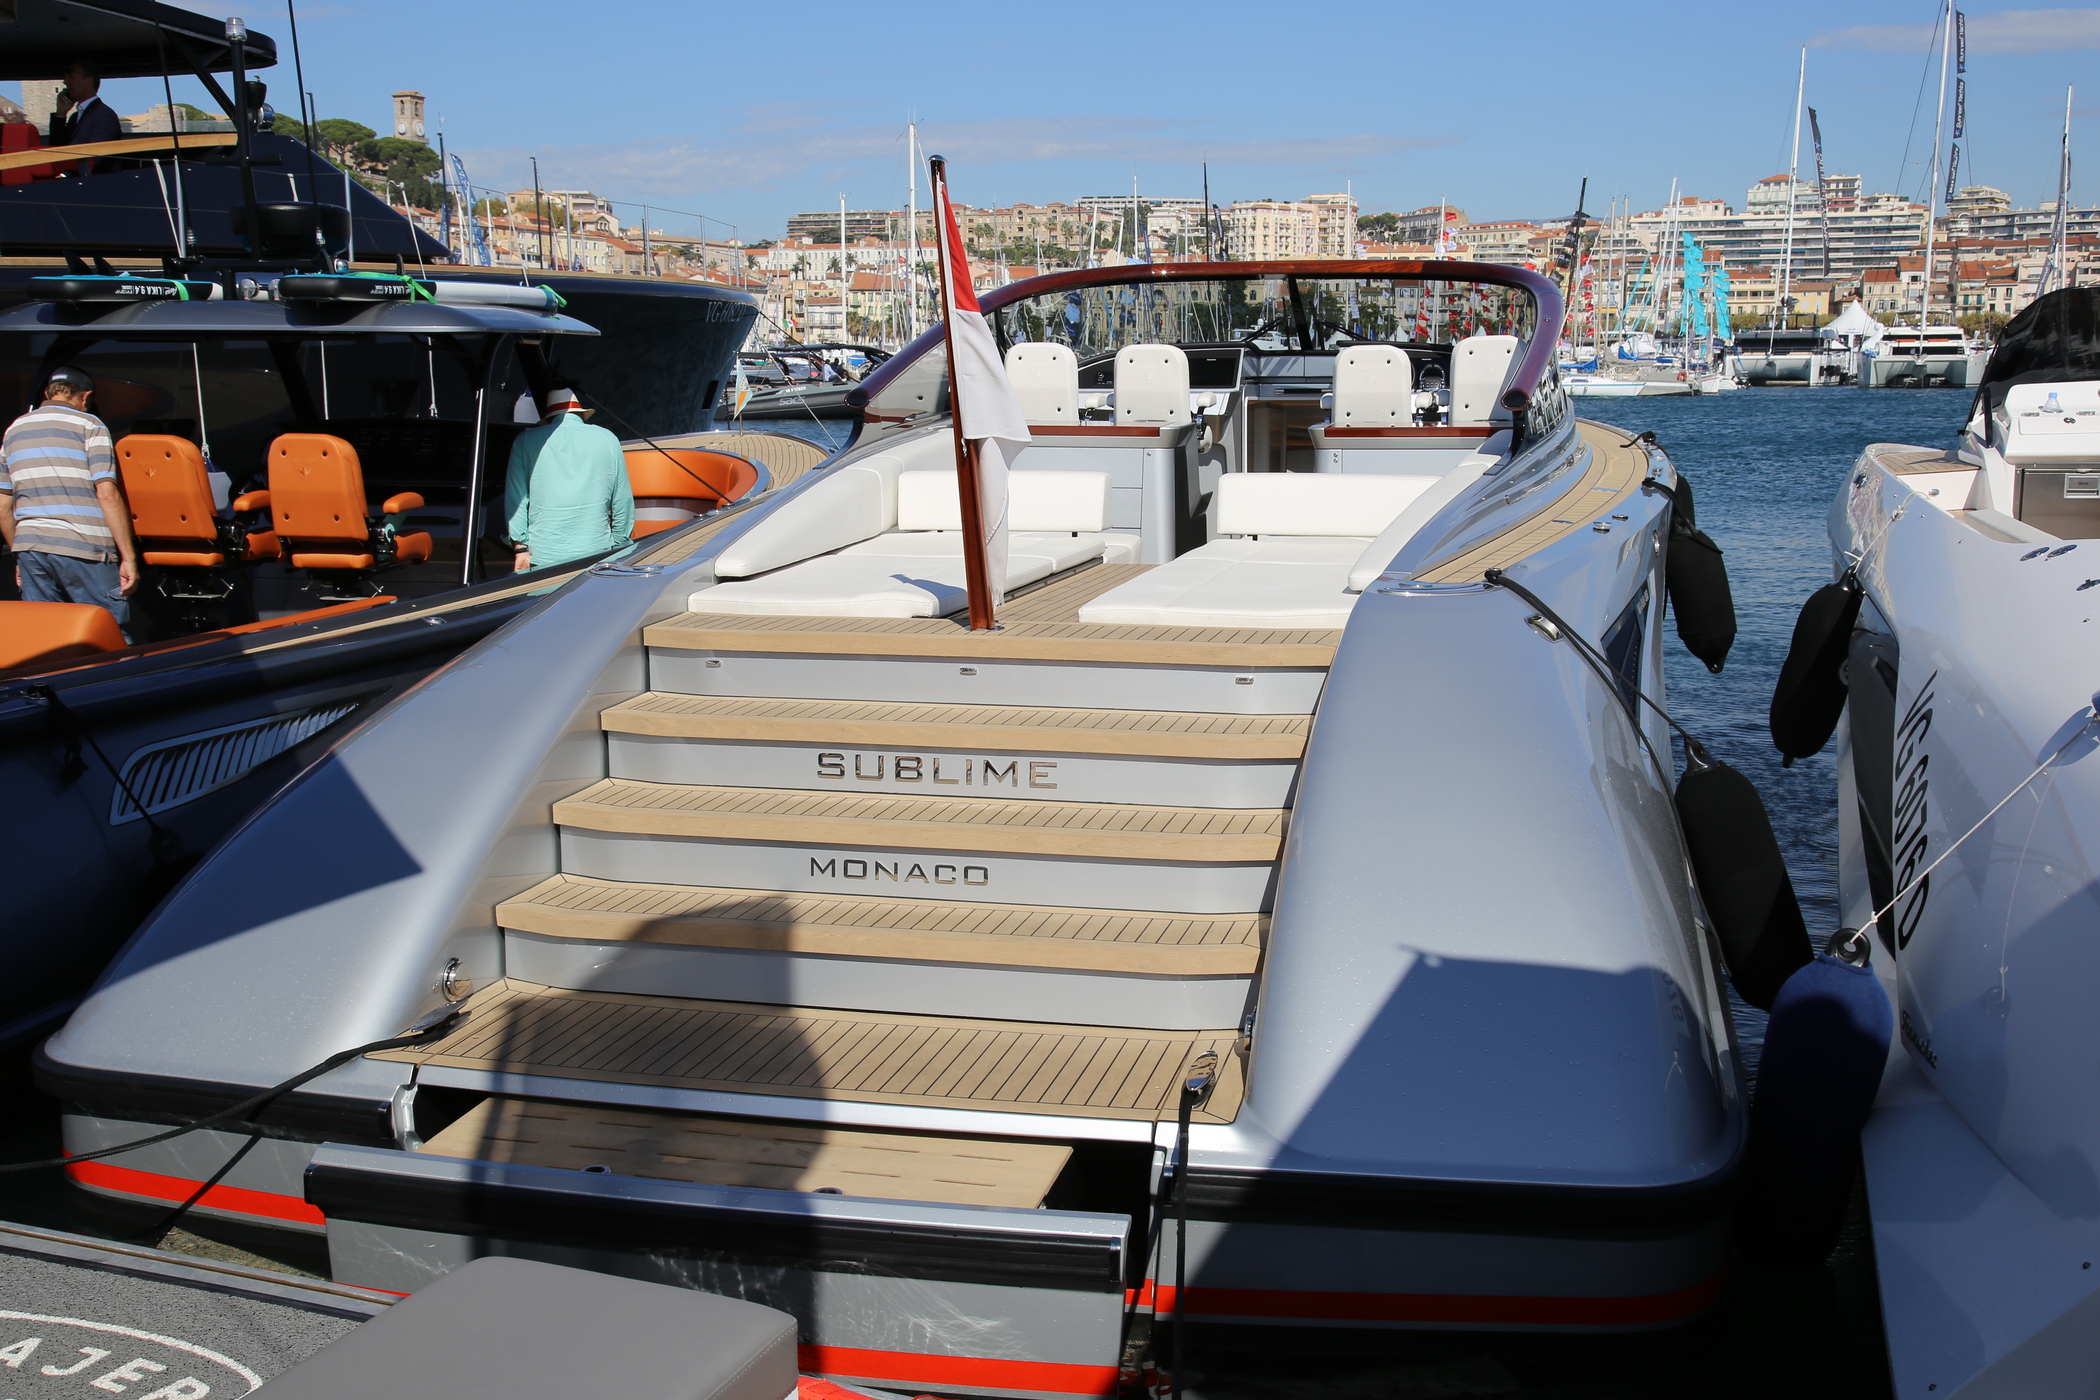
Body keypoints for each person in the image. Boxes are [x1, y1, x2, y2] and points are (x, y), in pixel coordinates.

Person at [0, 367, 140, 638]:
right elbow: (107, 493)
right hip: (85, 546)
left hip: (31, 548)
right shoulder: (90, 425)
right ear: (85, 396)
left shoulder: (14, 429)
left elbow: (3, 504)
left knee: (44, 637)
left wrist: (20, 552)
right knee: (107, 634)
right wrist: (128, 557)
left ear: (47, 394)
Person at [503, 388, 633, 571]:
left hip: (543, 556)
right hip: (597, 551)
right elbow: (622, 499)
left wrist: (521, 547)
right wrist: (619, 543)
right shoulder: (608, 438)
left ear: (549, 418)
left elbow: (516, 500)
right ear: (580, 414)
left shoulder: (525, 441)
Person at [49, 62, 122, 174]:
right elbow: (56, 151)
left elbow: (98, 157)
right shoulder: (75, 117)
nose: (65, 82)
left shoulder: (104, 115)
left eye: (71, 76)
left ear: (88, 81)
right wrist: (61, 114)